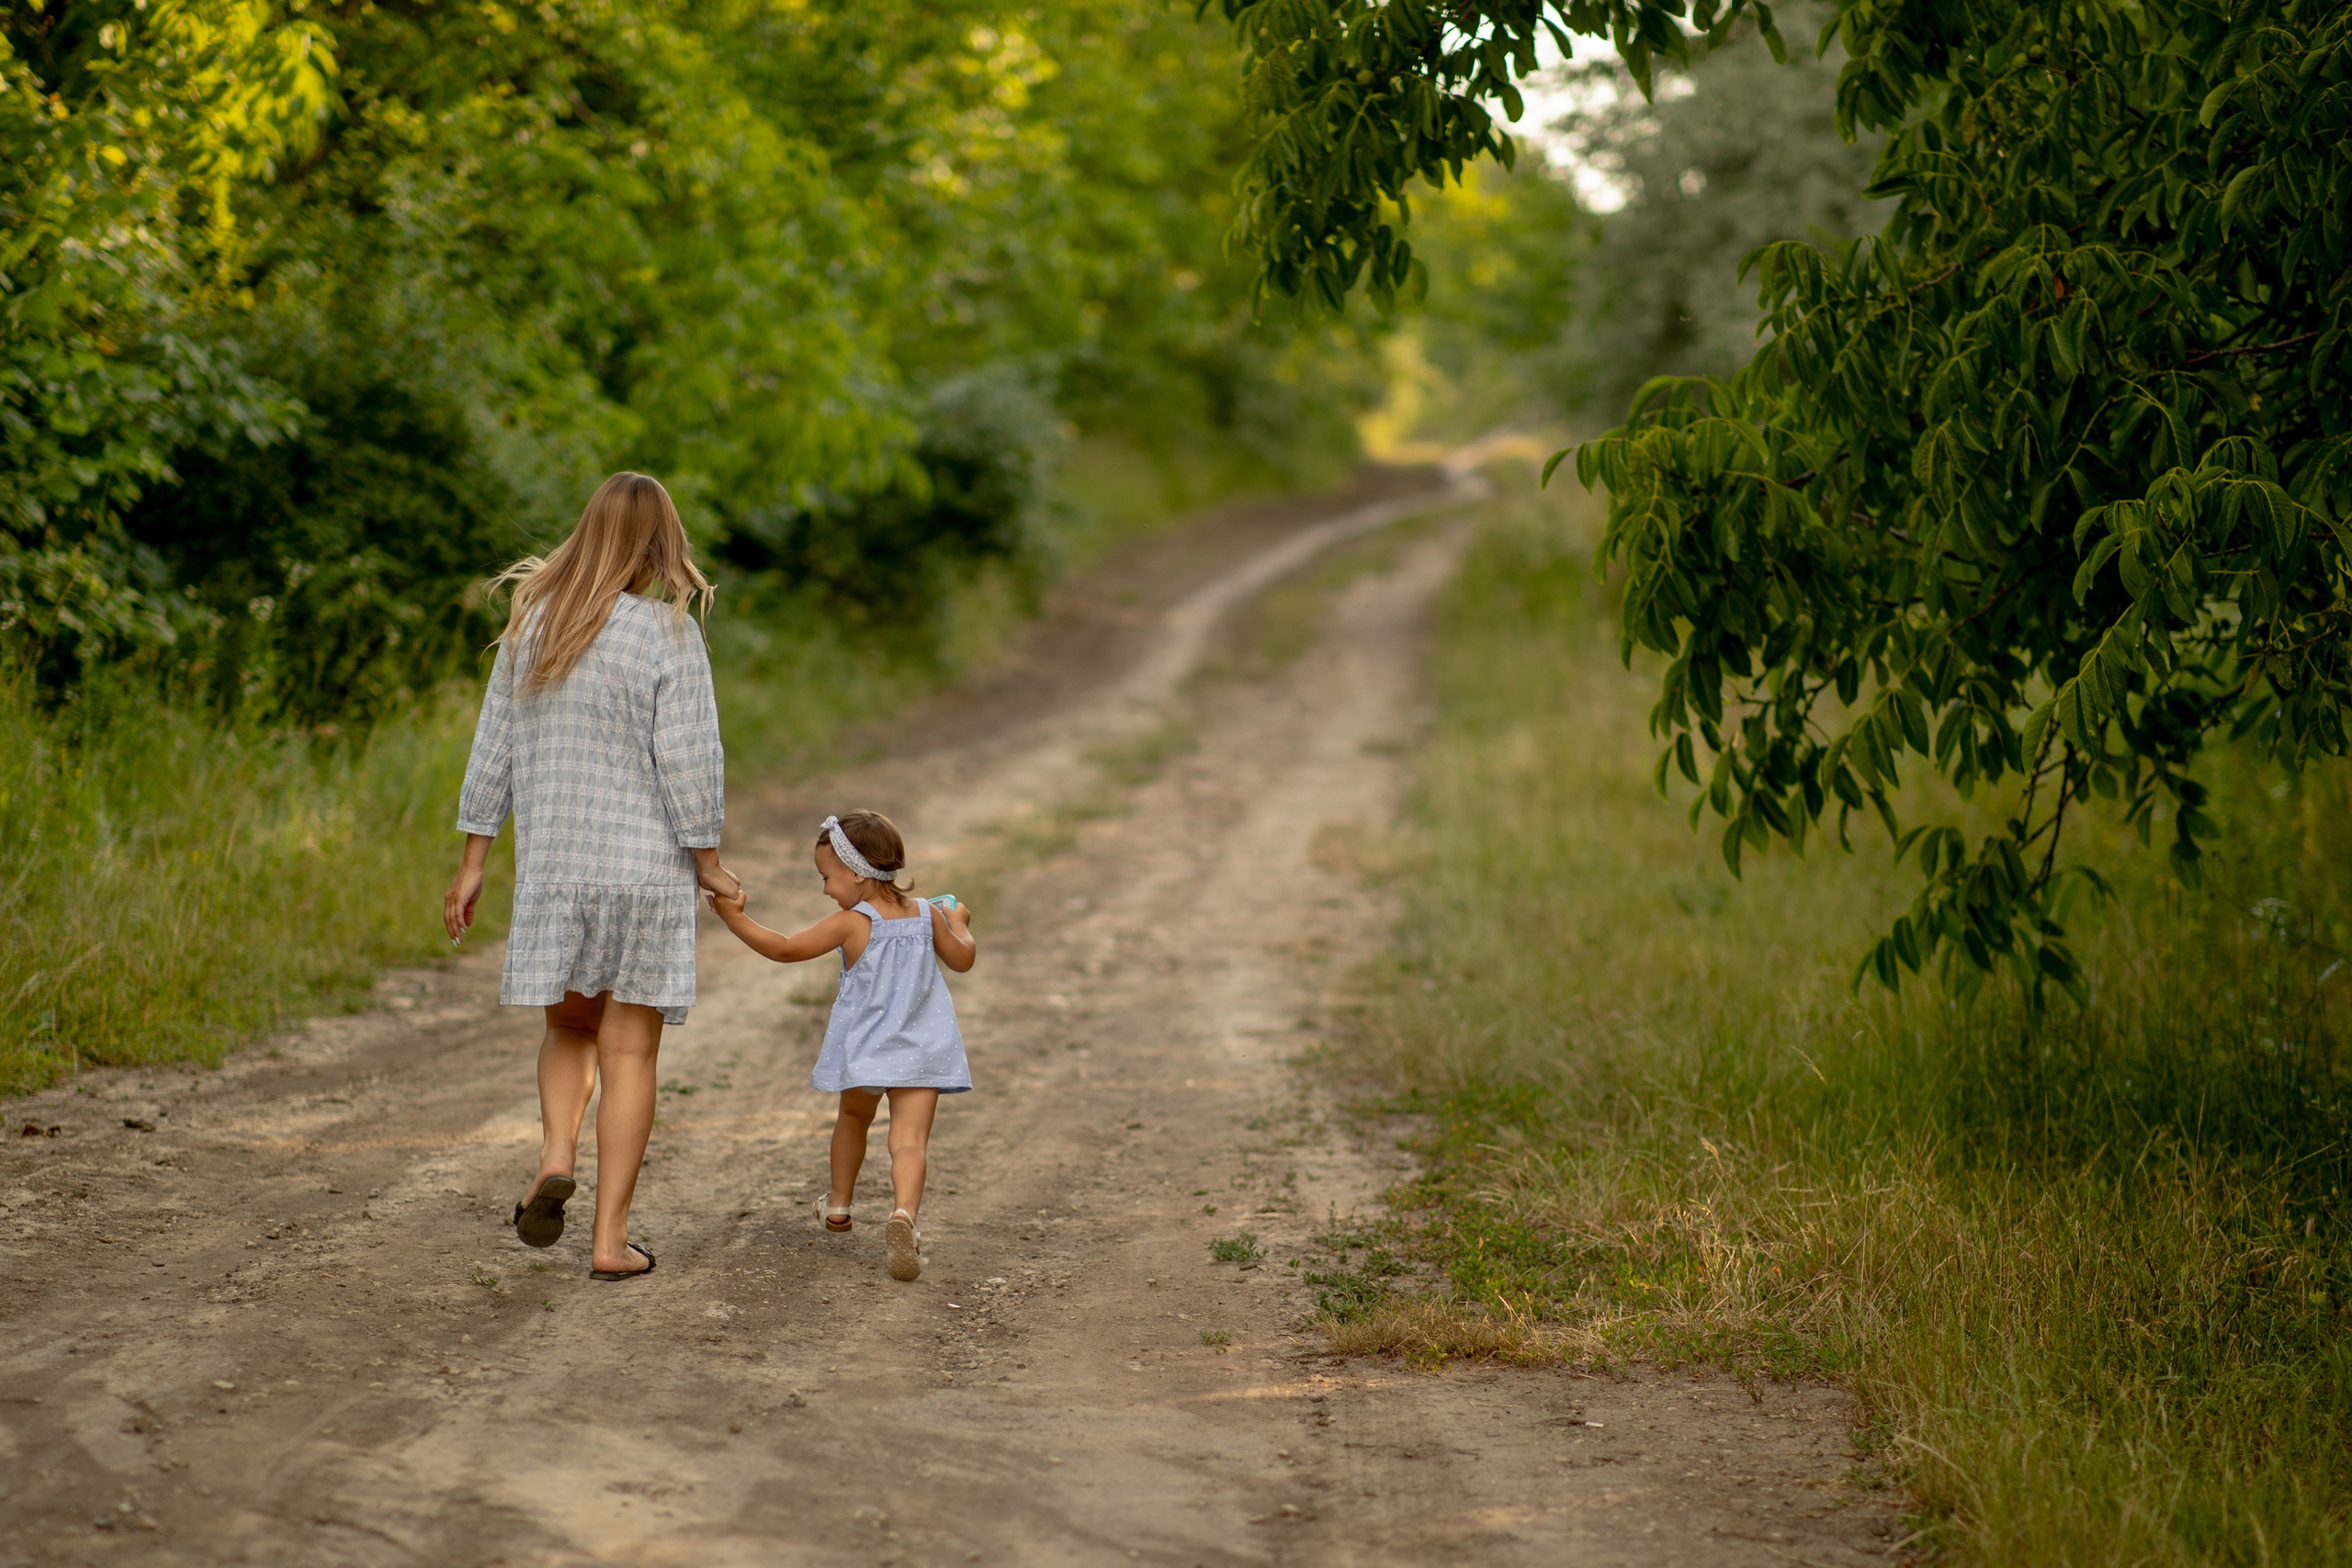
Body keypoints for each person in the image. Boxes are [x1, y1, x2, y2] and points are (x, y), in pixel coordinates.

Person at [442, 471, 741, 1282]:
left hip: (558, 869)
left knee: (568, 1027)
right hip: (643, 873)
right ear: (657, 548)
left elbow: (491, 745)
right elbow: (689, 759)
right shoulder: (668, 635)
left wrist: (474, 860)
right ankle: (610, 1243)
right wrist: (708, 863)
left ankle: (553, 1152)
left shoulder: (533, 624)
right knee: (631, 1055)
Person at [706, 810, 975, 1281]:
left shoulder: (853, 923)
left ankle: (838, 1206)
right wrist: (961, 922)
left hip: (870, 1052)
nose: (826, 889)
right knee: (909, 1142)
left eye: (827, 878)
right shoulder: (929, 914)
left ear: (856, 873)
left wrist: (734, 918)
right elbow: (964, 958)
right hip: (923, 1052)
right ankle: (903, 1217)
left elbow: (785, 948)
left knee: (853, 1118)